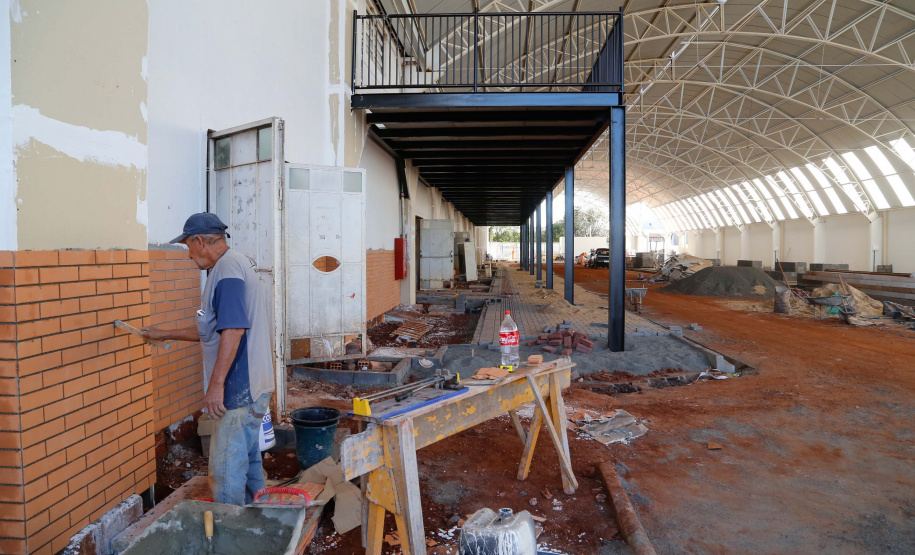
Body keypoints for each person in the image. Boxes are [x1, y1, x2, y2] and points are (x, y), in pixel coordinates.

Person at [141, 213, 275, 505]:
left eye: (188, 246)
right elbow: (215, 330)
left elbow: (234, 330)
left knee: (226, 468)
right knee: (248, 457)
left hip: (239, 387)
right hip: (256, 382)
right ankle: (259, 515)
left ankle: (229, 526)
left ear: (200, 241)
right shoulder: (235, 264)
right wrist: (164, 333)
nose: (189, 255)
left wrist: (216, 386)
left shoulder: (226, 270)